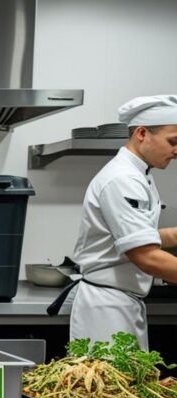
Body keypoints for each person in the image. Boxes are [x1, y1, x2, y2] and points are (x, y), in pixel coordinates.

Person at [49, 95, 177, 348]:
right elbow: (146, 256)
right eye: (173, 142)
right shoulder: (123, 179)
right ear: (142, 133)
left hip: (120, 302)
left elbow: (140, 236)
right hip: (107, 308)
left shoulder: (139, 174)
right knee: (106, 375)